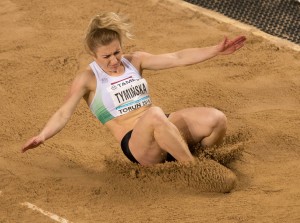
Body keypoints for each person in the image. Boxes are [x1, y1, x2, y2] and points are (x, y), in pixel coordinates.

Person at [21, 12, 246, 166]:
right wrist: (42, 135)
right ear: (93, 55)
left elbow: (177, 57)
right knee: (155, 114)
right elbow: (63, 113)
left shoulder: (134, 60)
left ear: (121, 46)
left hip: (162, 127)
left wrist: (215, 50)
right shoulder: (88, 79)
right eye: (106, 56)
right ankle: (195, 169)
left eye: (117, 52)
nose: (114, 60)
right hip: (137, 144)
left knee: (217, 119)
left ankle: (195, 157)